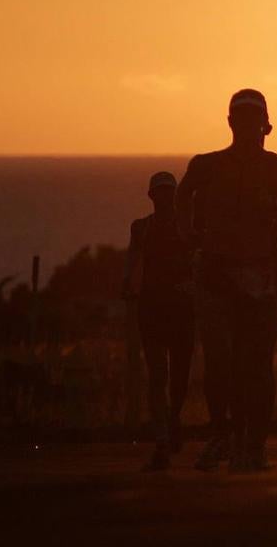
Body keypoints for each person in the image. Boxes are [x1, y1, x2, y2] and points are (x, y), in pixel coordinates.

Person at [176, 89, 277, 473]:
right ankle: (223, 437)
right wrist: (190, 238)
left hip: (263, 273)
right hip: (217, 271)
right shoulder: (206, 166)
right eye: (242, 120)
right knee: (220, 360)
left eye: (255, 121)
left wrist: (273, 208)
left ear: (266, 125)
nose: (250, 128)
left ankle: (253, 443)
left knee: (257, 361)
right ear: (231, 123)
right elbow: (183, 199)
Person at [121, 171, 195, 470]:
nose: (164, 198)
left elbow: (197, 259)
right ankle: (162, 438)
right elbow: (132, 258)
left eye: (169, 192)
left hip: (181, 308)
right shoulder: (141, 228)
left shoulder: (187, 228)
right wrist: (128, 283)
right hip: (152, 307)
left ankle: (173, 418)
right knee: (157, 375)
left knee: (179, 376)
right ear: (152, 196)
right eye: (160, 192)